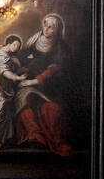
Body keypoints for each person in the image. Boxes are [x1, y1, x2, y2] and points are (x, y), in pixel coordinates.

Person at [13, 13, 75, 156]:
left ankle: (52, 142)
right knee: (25, 109)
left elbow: (56, 69)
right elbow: (21, 59)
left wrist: (35, 80)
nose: (47, 28)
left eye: (52, 26)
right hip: (28, 85)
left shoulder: (61, 47)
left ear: (58, 29)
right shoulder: (33, 41)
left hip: (50, 89)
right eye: (46, 24)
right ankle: (34, 138)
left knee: (52, 110)